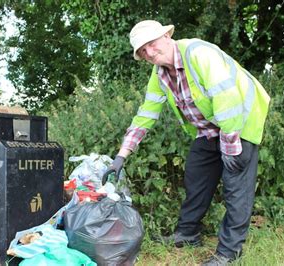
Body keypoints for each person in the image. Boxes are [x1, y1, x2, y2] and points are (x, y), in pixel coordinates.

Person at [104, 20, 270, 265]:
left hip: (240, 122)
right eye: (142, 51)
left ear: (167, 36)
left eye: (151, 44)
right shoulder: (159, 74)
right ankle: (188, 233)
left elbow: (227, 97)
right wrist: (121, 155)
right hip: (208, 130)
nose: (149, 52)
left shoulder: (199, 54)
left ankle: (228, 252)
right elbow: (146, 114)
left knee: (236, 188)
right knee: (196, 175)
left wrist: (232, 145)